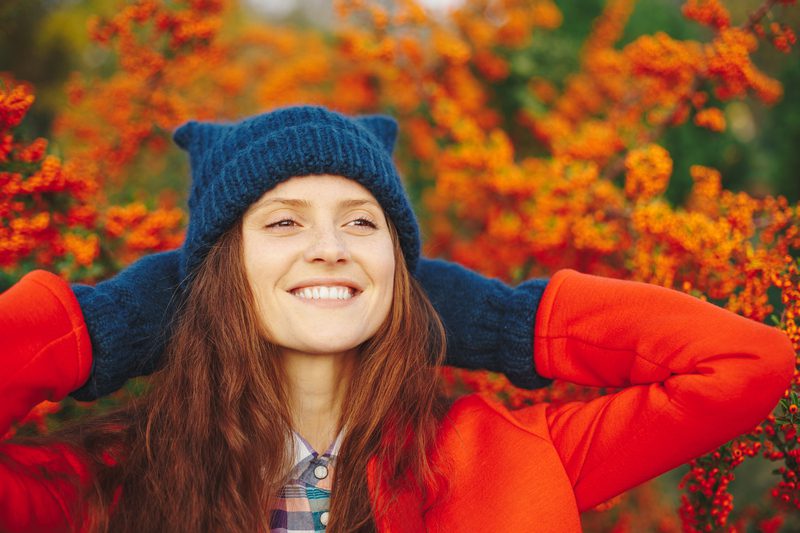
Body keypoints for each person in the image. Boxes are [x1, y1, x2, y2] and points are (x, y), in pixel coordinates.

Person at [0, 106, 795, 533]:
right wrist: (107, 324)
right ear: (215, 276)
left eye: (362, 223)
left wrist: (502, 321)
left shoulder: (504, 458)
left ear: (402, 268)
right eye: (282, 224)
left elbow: (747, 362)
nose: (329, 249)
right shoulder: (110, 481)